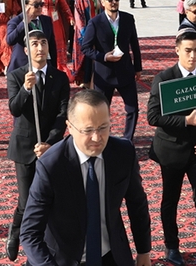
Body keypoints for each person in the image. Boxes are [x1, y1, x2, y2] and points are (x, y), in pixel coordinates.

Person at [20, 89, 152, 266]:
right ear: (70, 127)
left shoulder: (123, 152)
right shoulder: (51, 165)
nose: (97, 138)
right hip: (62, 260)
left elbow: (137, 204)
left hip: (111, 255)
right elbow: (30, 233)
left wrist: (144, 250)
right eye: (88, 130)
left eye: (103, 127)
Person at [148, 30, 196, 266]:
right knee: (170, 200)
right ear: (177, 50)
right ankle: (172, 247)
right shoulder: (164, 78)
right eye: (188, 50)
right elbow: (153, 116)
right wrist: (186, 121)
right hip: (170, 151)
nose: (193, 56)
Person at [4, 30, 70, 262]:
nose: (40, 48)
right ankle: (15, 234)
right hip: (24, 148)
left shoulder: (60, 78)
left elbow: (62, 115)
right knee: (27, 201)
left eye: (43, 43)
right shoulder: (16, 76)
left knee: (51, 199)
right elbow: (14, 109)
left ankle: (45, 246)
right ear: (26, 50)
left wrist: (50, 143)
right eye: (34, 44)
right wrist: (26, 89)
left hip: (50, 148)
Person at [81, 0, 143, 143]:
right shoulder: (95, 23)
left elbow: (134, 45)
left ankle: (128, 139)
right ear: (102, 2)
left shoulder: (128, 18)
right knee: (101, 111)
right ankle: (103, 138)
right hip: (104, 74)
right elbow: (86, 48)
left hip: (125, 71)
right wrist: (104, 57)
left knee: (132, 109)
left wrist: (138, 68)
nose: (114, 2)